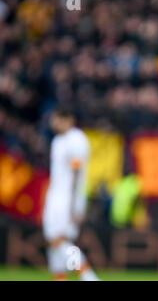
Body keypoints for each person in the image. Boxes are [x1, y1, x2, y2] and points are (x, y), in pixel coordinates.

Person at [42, 106, 99, 281]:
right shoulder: (58, 141)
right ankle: (60, 278)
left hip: (67, 198)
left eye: (57, 119)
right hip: (55, 196)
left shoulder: (77, 140)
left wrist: (76, 205)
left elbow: (77, 174)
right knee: (54, 243)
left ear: (68, 119)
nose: (53, 123)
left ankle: (88, 276)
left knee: (59, 241)